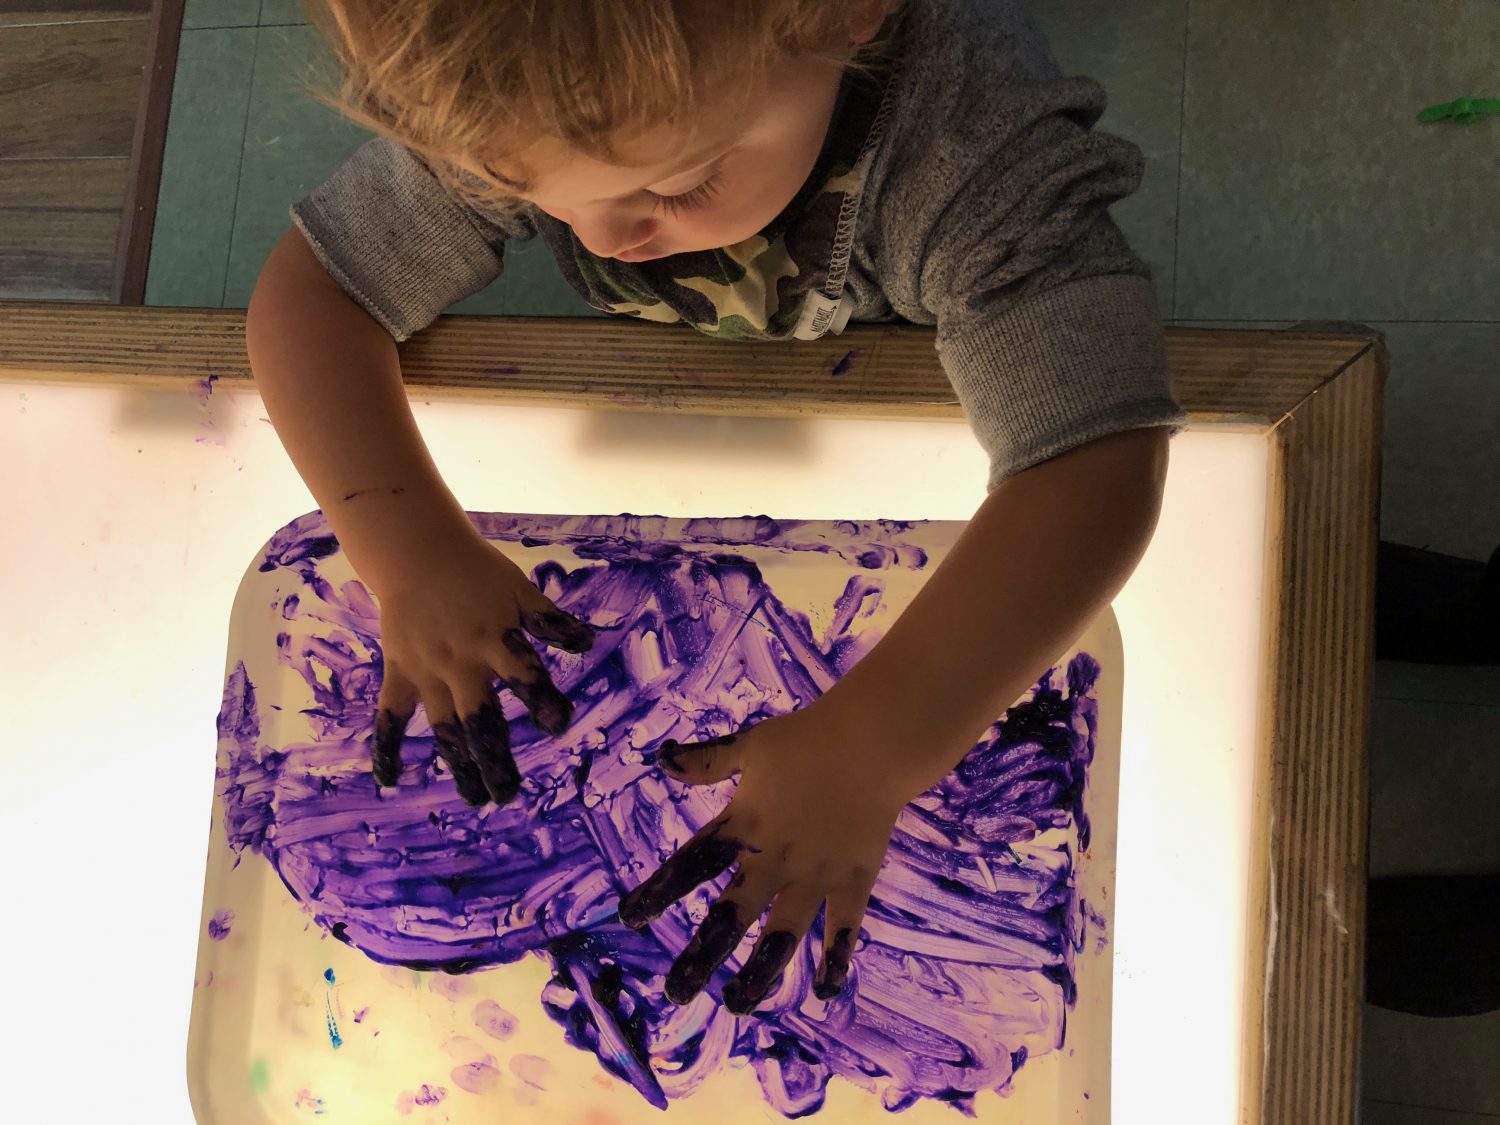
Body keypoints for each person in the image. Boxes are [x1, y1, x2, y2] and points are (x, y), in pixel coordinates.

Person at [244, 0, 1187, 1017]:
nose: (606, 233)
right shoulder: (522, 76)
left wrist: (874, 750)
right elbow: (318, 295)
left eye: (677, 183)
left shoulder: (969, 157)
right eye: (532, 195)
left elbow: (1095, 458)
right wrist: (408, 554)